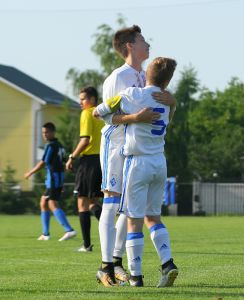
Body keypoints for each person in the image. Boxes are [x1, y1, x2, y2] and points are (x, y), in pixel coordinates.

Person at [94, 25, 176, 287]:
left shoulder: (143, 77)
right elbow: (107, 117)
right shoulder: (118, 77)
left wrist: (173, 102)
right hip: (116, 145)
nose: (147, 44)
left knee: (128, 209)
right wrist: (135, 118)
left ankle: (117, 262)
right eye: (142, 40)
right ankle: (105, 266)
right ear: (130, 45)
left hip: (136, 151)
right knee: (112, 200)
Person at [66, 86, 104, 252]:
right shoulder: (102, 113)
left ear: (93, 99)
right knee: (93, 202)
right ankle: (115, 236)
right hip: (101, 161)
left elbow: (85, 140)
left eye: (83, 99)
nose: (81, 102)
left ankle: (87, 245)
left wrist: (71, 157)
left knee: (82, 203)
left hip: (88, 162)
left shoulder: (87, 113)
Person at [24, 122, 77, 242]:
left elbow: (43, 162)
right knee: (44, 202)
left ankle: (69, 230)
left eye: (47, 132)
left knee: (52, 204)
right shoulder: (60, 145)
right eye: (43, 132)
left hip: (53, 179)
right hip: (56, 179)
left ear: (53, 132)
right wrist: (62, 181)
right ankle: (46, 234)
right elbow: (64, 164)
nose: (45, 135)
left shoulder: (51, 146)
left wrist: (30, 173)